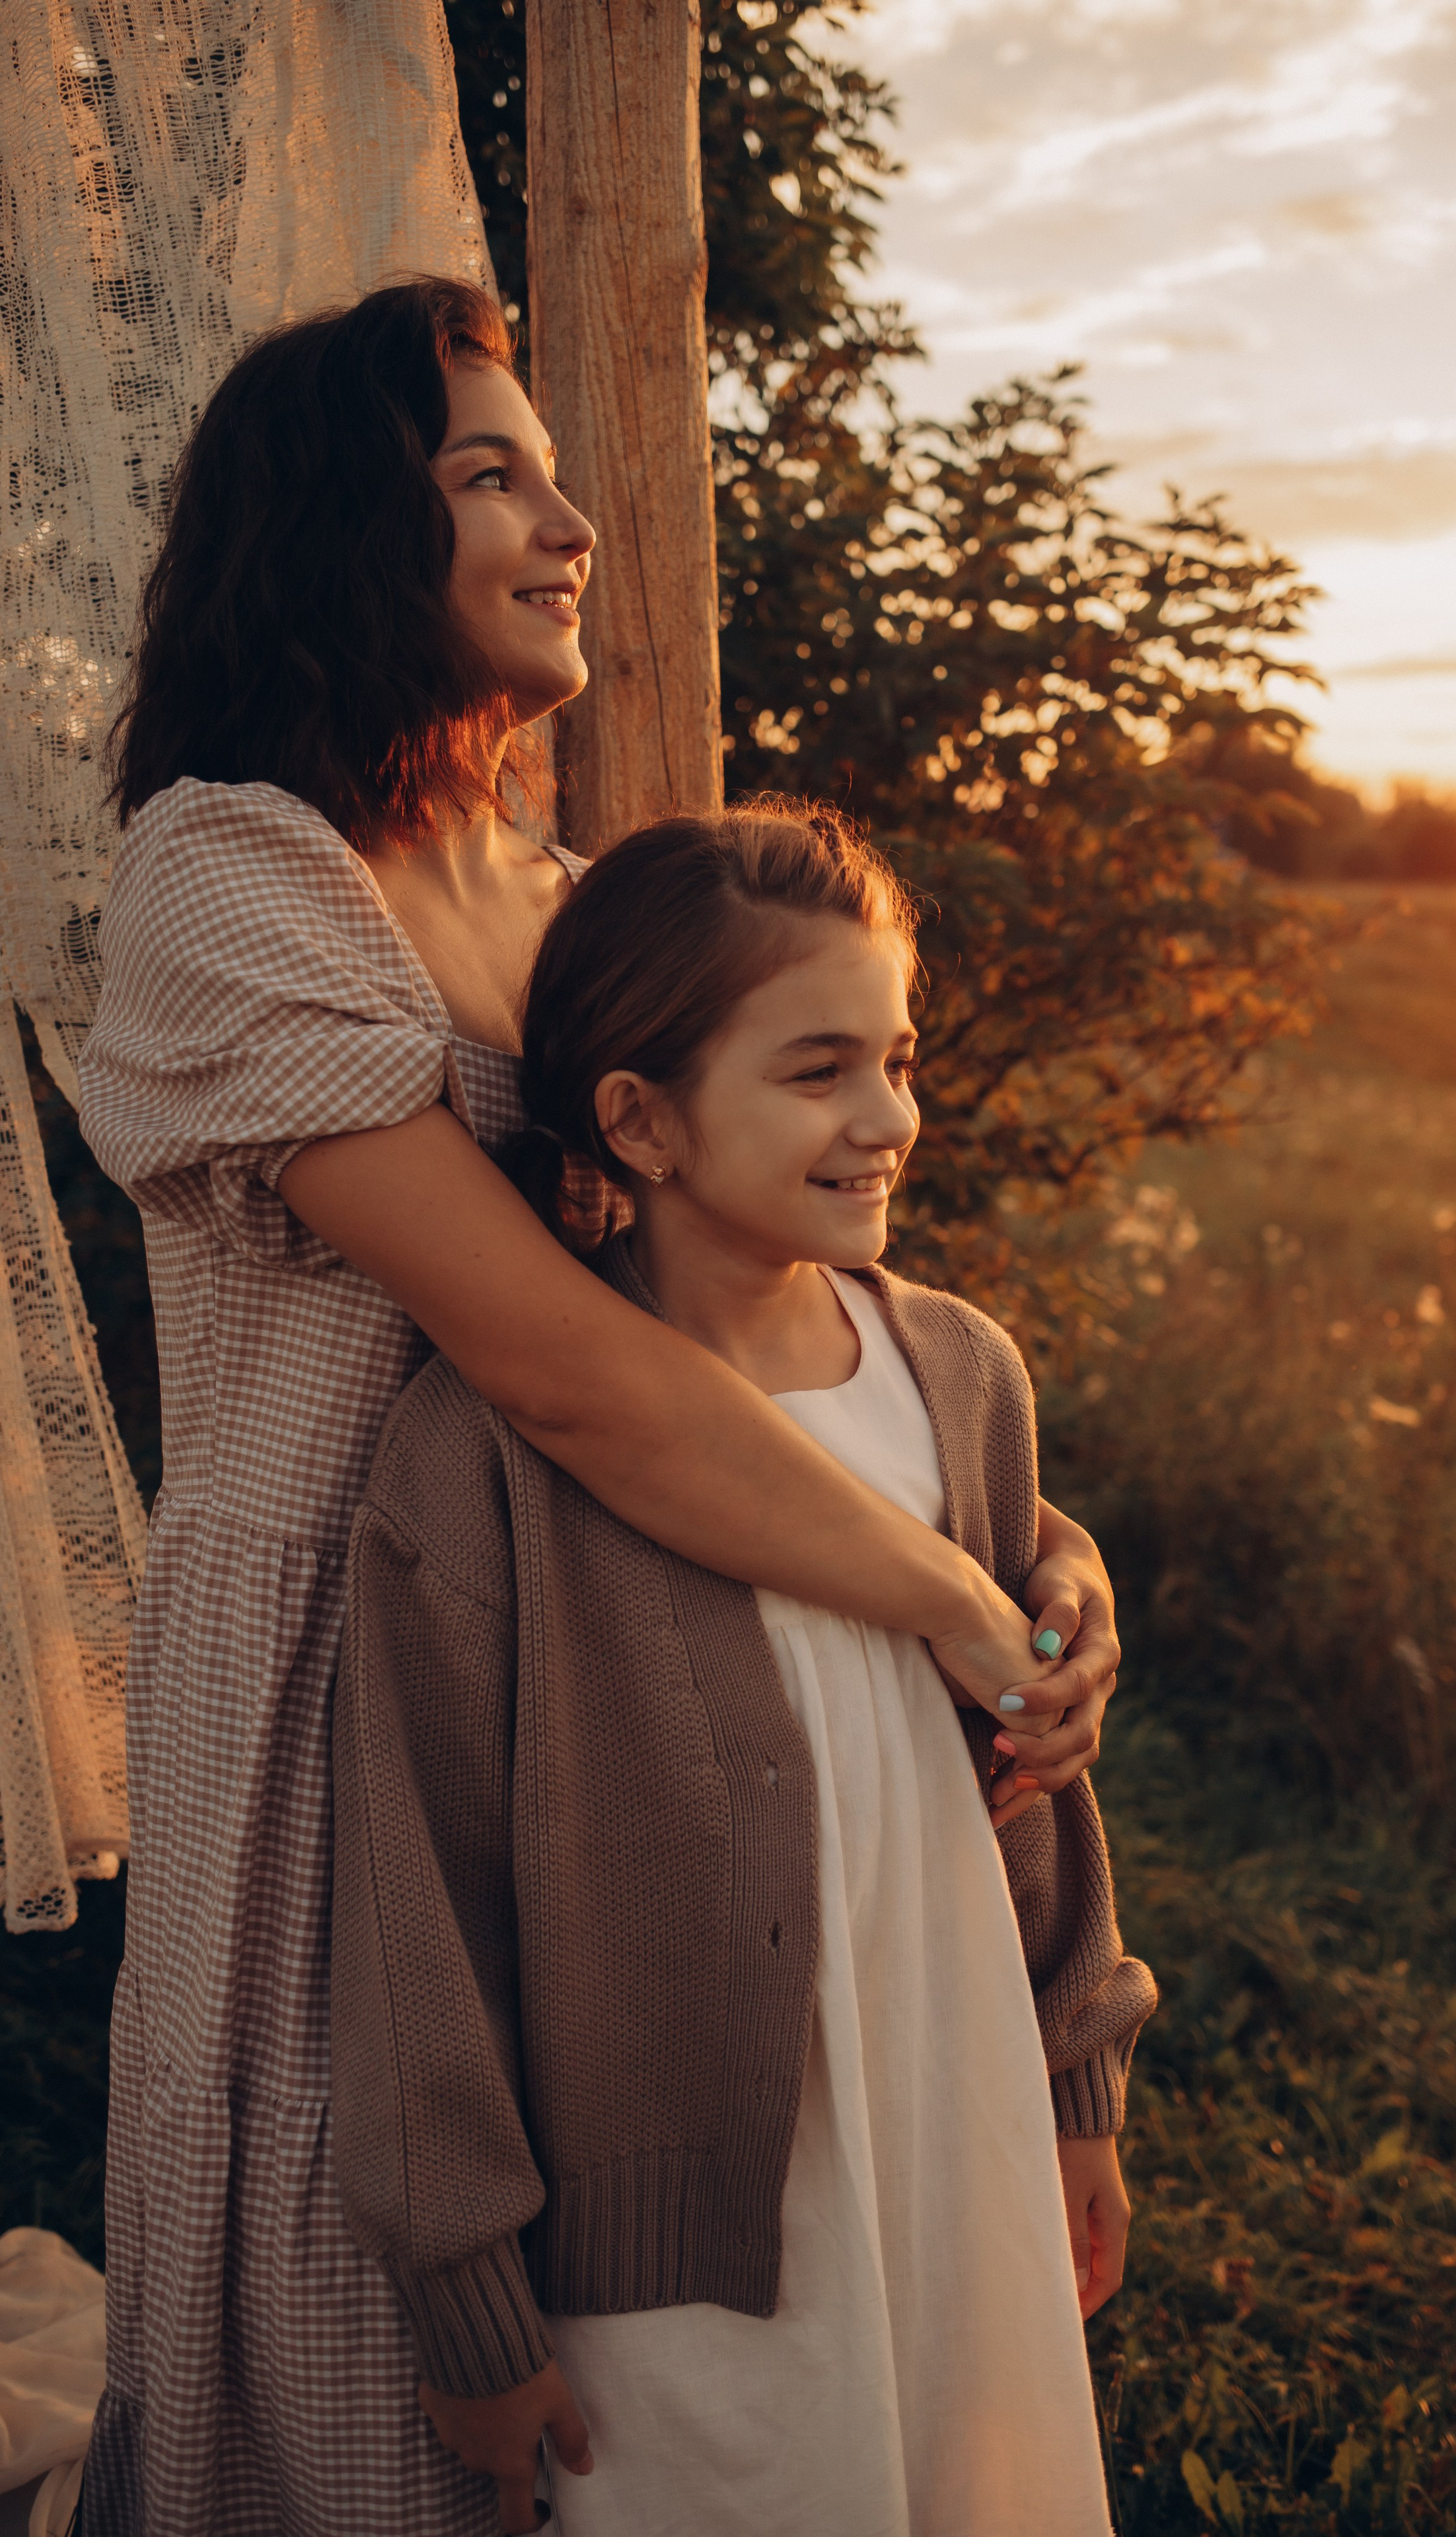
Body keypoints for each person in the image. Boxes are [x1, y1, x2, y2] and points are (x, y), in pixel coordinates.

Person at [73, 279, 1123, 2537]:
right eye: (489, 474)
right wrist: (947, 1592)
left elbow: (755, 1306)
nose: (572, 519)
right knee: (368, 2301)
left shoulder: (563, 901)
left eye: (553, 468)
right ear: (344, 530)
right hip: (340, 1646)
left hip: (631, 1642)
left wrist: (1033, 1558)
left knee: (674, 2316)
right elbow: (554, 1364)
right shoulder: (232, 875)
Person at [331, 803, 1158, 2537]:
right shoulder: (479, 1458)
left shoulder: (958, 1374)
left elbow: (1032, 1787)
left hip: (953, 2116)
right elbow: (421, 1909)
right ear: (637, 1116)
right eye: (819, 1071)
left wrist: (1074, 2077)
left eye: (901, 1058)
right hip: (678, 2238)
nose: (888, 1120)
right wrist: (471, 2302)